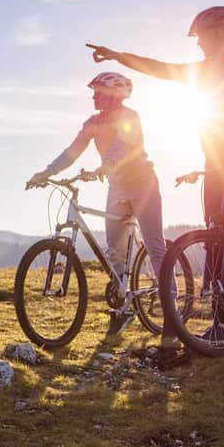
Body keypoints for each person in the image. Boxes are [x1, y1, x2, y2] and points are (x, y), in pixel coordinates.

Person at [86, 5, 224, 347]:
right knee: (218, 240)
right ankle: (223, 326)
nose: (200, 44)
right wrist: (120, 57)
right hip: (217, 162)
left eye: (204, 37)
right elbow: (163, 69)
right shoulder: (205, 71)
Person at [26, 72, 179, 351]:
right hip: (117, 187)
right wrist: (46, 173)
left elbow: (124, 146)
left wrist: (105, 165)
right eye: (94, 91)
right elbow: (72, 152)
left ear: (114, 95)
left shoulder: (129, 117)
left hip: (143, 184)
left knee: (156, 246)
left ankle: (172, 318)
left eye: (98, 91)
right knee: (115, 252)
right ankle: (122, 311)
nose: (94, 96)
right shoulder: (93, 123)